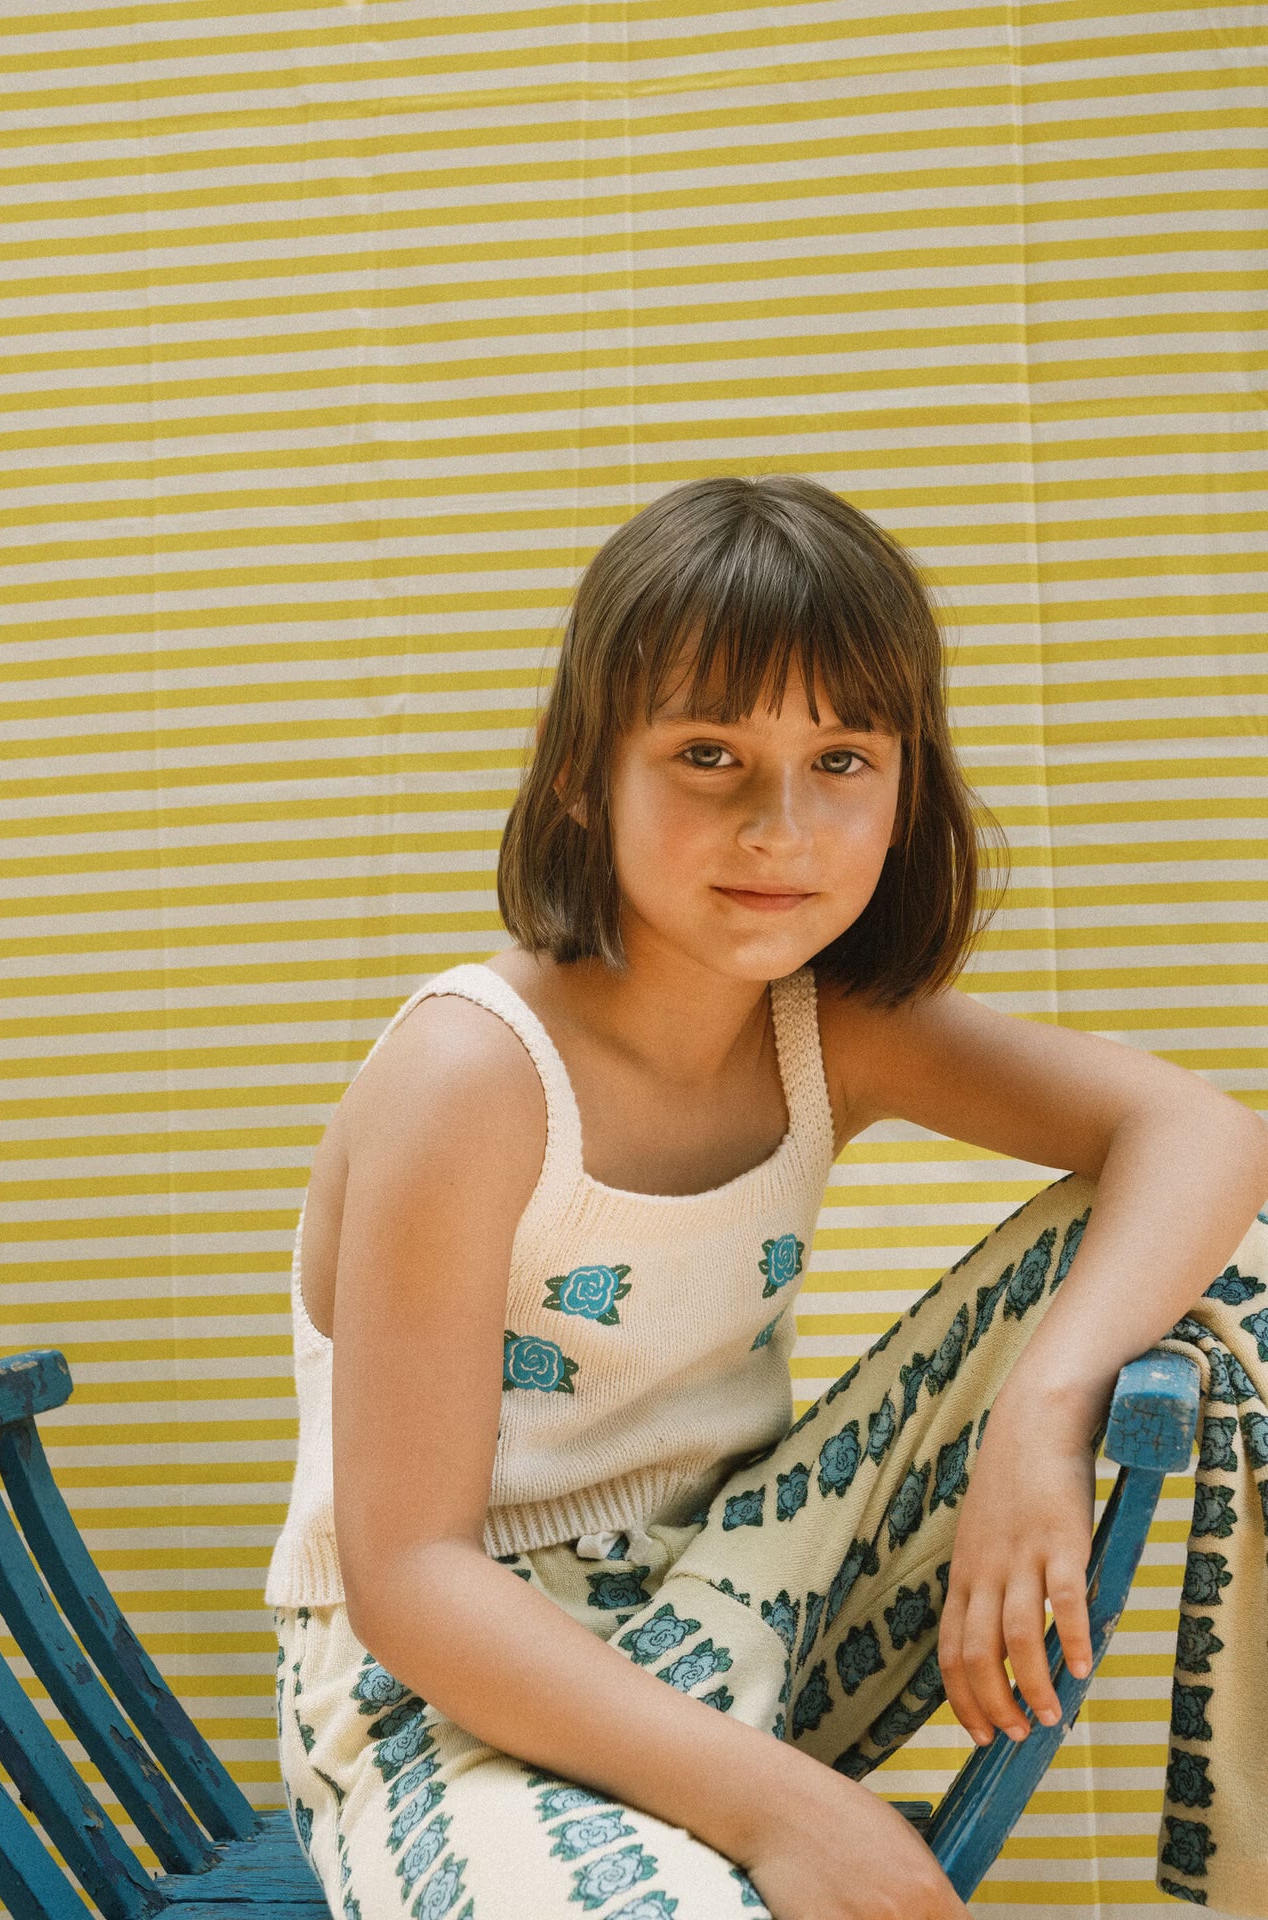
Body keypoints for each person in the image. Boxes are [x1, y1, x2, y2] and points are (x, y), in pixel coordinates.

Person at [264, 474, 1268, 1920]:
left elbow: (1204, 1134)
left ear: (906, 787)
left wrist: (1042, 1415)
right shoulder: (471, 1073)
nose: (779, 827)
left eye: (842, 758)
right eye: (709, 754)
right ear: (580, 775)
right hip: (456, 1674)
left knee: (1226, 1257)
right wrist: (795, 1812)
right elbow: (412, 1574)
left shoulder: (823, 1026)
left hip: (740, 1589)